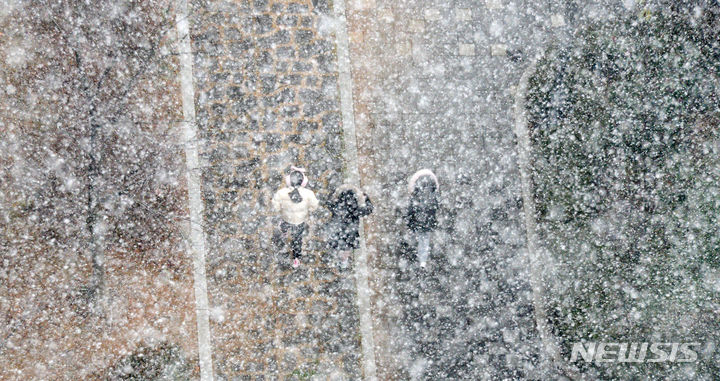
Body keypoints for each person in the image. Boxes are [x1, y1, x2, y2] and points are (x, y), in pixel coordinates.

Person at [271, 166, 319, 268]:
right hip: (299, 221)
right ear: (303, 182)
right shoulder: (309, 194)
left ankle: (283, 237)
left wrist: (281, 210)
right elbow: (314, 206)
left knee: (283, 226)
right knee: (297, 239)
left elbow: (275, 206)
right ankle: (296, 258)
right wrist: (308, 210)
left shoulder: (281, 193)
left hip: (286, 218)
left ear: (288, 181)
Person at [327, 184, 373, 269]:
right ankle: (343, 262)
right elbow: (367, 210)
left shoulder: (338, 198)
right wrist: (363, 198)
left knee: (338, 244)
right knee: (346, 247)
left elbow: (330, 204)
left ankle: (339, 260)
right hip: (351, 227)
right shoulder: (357, 202)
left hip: (337, 225)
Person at [406, 169, 439, 268]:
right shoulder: (432, 196)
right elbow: (434, 209)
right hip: (425, 221)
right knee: (424, 240)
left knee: (420, 240)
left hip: (419, 221)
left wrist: (410, 220)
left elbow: (411, 209)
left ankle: (420, 260)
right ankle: (422, 260)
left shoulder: (416, 197)